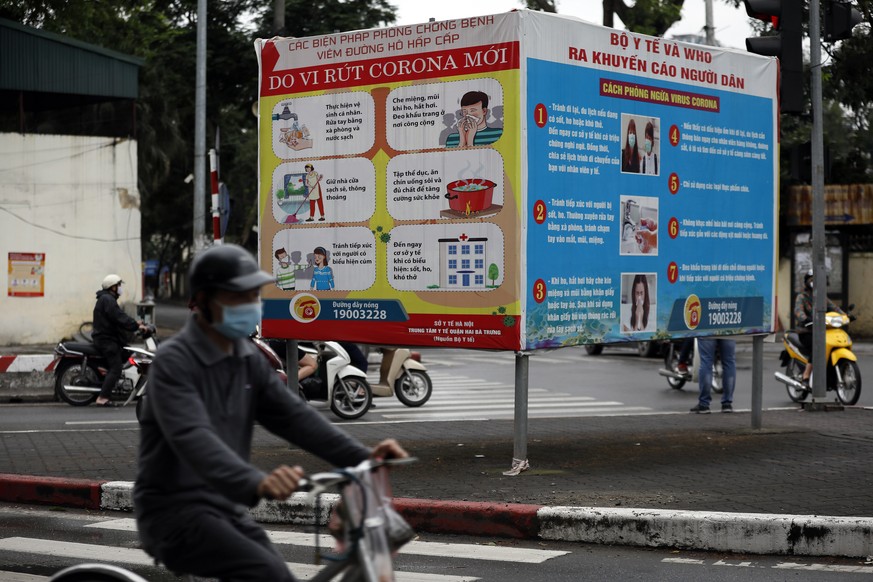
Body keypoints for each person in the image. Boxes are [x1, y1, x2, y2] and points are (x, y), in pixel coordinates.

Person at [134, 244, 407, 582]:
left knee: (278, 572)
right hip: (174, 513)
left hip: (226, 509)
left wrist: (362, 458)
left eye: (253, 295)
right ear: (204, 301)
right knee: (266, 573)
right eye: (237, 297)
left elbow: (294, 417)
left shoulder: (246, 359)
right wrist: (257, 481)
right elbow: (194, 439)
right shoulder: (174, 363)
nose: (250, 305)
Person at [92, 274, 149, 407]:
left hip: (108, 338)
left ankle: (112, 381)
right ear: (112, 287)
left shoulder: (107, 299)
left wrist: (135, 323)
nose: (120, 288)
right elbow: (119, 317)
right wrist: (136, 325)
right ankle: (102, 398)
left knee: (126, 354)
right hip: (107, 340)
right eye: (118, 285)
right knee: (116, 368)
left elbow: (119, 317)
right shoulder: (107, 299)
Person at [793, 269, 843, 385]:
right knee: (817, 348)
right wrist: (805, 318)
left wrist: (846, 315)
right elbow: (798, 311)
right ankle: (806, 375)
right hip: (806, 331)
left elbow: (834, 308)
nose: (814, 283)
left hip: (820, 331)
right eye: (812, 280)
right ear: (807, 282)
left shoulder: (821, 297)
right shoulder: (802, 297)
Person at [691, 337, 736, 413]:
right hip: (727, 327)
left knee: (706, 361)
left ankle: (704, 404)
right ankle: (727, 404)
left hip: (707, 329)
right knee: (729, 362)